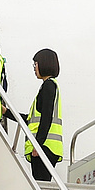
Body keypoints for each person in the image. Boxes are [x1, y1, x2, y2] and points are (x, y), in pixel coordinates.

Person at [24, 48, 63, 182]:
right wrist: (7, 112)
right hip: (47, 147)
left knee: (41, 186)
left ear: (44, 63)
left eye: (35, 64)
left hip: (44, 147)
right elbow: (31, 120)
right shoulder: (48, 86)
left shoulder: (48, 86)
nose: (34, 68)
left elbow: (47, 117)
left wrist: (38, 145)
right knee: (42, 184)